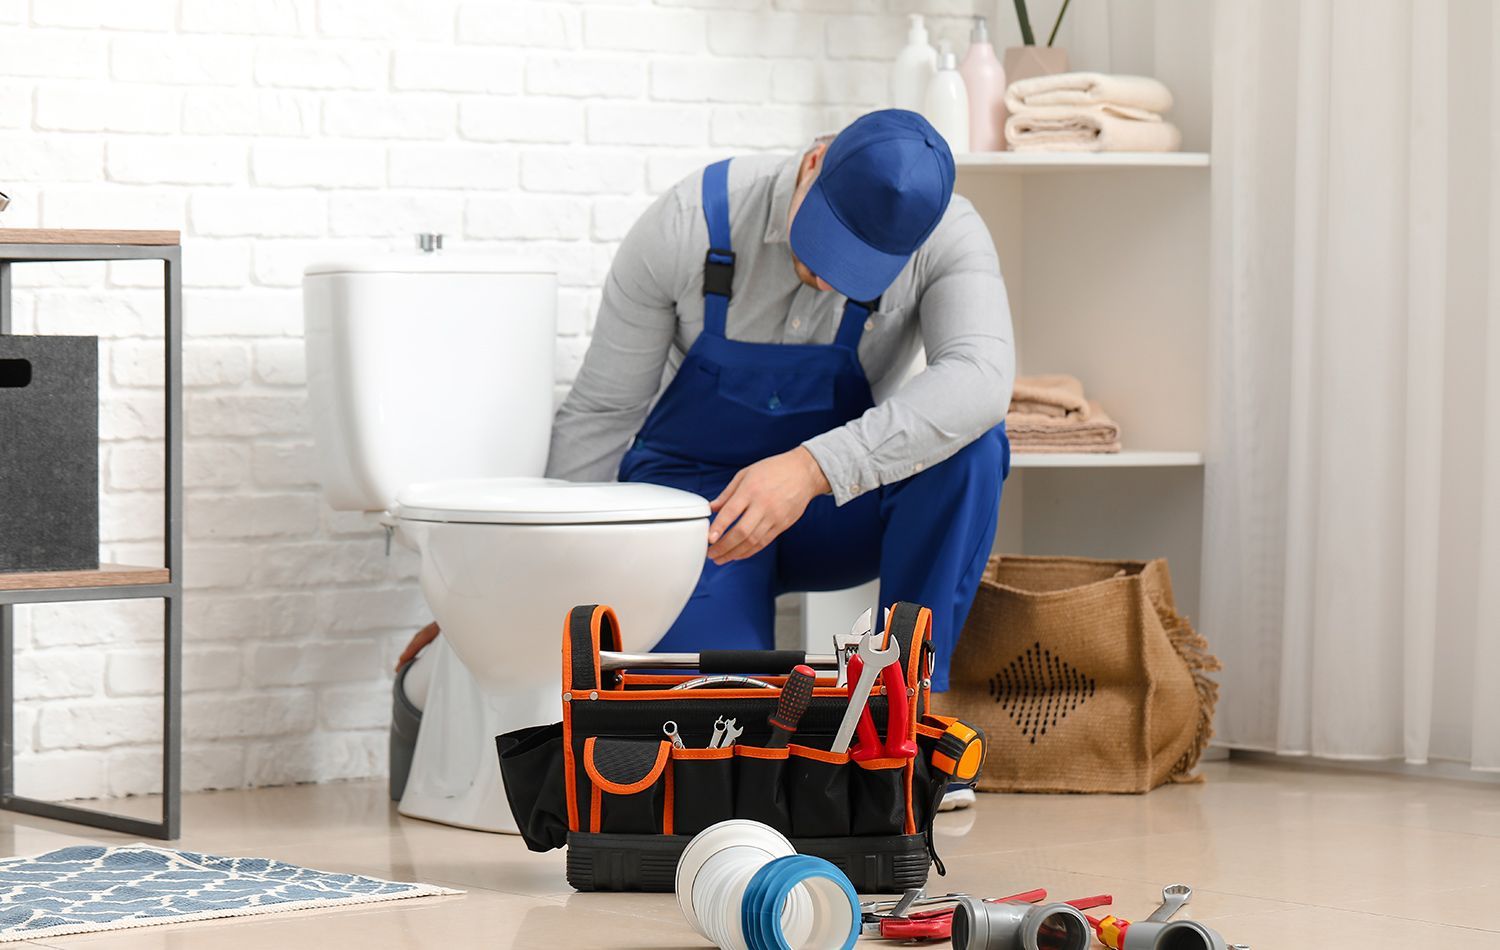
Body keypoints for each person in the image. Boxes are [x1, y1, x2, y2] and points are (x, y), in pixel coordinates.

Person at [399, 110, 1014, 800]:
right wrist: (514, 585)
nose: (824, 277)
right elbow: (603, 415)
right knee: (719, 737)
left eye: (857, 271)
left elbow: (982, 382)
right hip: (701, 521)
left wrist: (811, 469)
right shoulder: (691, 222)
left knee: (972, 449)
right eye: (822, 246)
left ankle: (906, 725)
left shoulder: (948, 234)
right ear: (813, 163)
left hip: (826, 506)